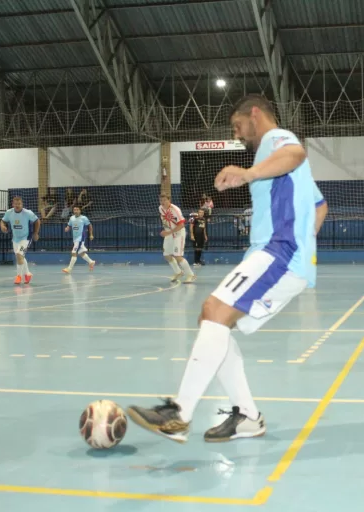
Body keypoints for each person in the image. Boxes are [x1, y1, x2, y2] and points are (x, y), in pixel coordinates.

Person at [127, 94, 319, 443]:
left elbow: (297, 152)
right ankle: (246, 416)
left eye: (238, 126)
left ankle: (179, 413)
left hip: (279, 250)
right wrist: (307, 245)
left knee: (214, 310)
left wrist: (249, 174)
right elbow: (320, 205)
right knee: (212, 318)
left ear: (255, 114)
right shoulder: (277, 163)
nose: (238, 134)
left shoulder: (277, 142)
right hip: (280, 252)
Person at [0, 196, 40, 285]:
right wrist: (2, 226)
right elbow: (2, 221)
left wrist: (36, 233)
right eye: (15, 204)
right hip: (15, 238)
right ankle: (28, 274)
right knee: (20, 257)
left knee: (19, 254)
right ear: (13, 204)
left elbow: (37, 221)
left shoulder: (27, 213)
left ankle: (19, 276)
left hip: (26, 237)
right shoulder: (9, 212)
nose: (17, 205)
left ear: (22, 204)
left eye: (19, 204)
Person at [159, 193, 195, 284]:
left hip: (178, 233)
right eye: (161, 200)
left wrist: (169, 232)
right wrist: (166, 231)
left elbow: (181, 225)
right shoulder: (160, 208)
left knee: (177, 255)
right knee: (167, 255)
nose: (163, 202)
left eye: (165, 200)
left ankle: (190, 275)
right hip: (169, 233)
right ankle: (178, 272)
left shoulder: (175, 209)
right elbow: (166, 221)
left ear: (169, 200)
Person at [62, 205, 96, 273]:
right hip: (75, 238)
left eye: (77, 210)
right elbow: (69, 225)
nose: (76, 211)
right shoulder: (71, 218)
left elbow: (90, 225)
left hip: (80, 238)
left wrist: (91, 234)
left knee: (74, 252)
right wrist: (67, 228)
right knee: (81, 253)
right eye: (74, 210)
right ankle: (91, 262)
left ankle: (69, 268)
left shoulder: (84, 218)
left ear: (80, 211)